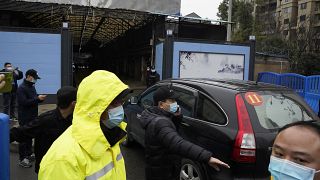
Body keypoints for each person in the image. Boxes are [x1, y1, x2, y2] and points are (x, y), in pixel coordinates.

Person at [39, 70, 129, 180]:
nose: (120, 108)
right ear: (95, 108)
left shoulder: (110, 137)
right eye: (114, 103)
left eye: (121, 101)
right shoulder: (63, 159)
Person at [140, 86, 230, 180]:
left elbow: (168, 134)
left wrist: (176, 117)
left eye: (175, 100)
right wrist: (207, 157)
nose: (175, 103)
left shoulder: (157, 116)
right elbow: (177, 143)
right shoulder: (160, 123)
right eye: (171, 100)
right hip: (162, 174)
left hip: (160, 169)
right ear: (161, 104)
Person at [10, 86, 76, 173]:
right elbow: (21, 132)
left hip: (66, 169)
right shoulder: (45, 120)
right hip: (46, 170)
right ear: (73, 103)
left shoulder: (75, 120)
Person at [16, 69, 46, 168]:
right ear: (29, 76)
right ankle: (22, 158)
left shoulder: (31, 86)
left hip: (32, 115)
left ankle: (29, 154)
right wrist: (37, 99)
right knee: (23, 136)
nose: (35, 80)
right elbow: (24, 102)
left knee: (30, 135)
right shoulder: (22, 88)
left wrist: (39, 98)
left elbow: (32, 99)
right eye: (35, 78)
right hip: (24, 116)